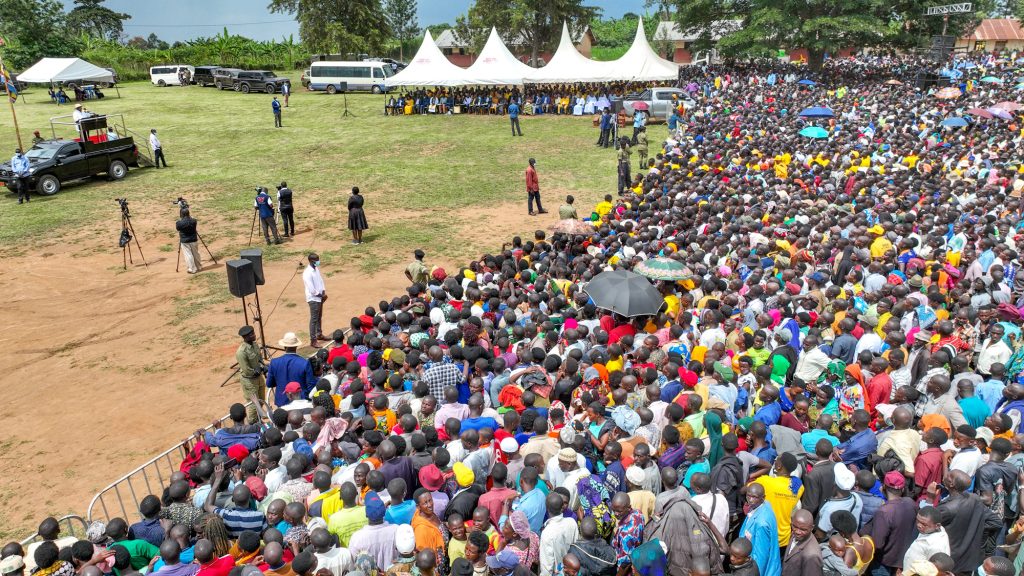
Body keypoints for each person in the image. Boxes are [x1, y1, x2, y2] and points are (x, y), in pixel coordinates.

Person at [266, 331, 316, 405]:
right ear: (296, 346)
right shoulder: (304, 362)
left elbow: (269, 384)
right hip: (301, 402)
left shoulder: (274, 362)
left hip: (282, 403)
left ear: (284, 346)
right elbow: (311, 385)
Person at [235, 325, 265, 423]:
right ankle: (253, 423)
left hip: (259, 378)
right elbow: (247, 370)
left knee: (261, 400)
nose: (254, 335)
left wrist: (262, 366)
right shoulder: (241, 352)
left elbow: (259, 358)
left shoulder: (255, 345)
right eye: (251, 334)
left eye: (253, 333)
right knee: (253, 404)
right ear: (245, 337)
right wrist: (258, 370)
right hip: (249, 381)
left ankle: (259, 419)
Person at [303, 253, 327, 348]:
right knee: (313, 319)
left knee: (319, 316)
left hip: (320, 297)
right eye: (316, 260)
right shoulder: (307, 273)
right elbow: (311, 289)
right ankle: (313, 340)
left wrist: (323, 292)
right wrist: (320, 295)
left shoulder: (316, 269)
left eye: (318, 259)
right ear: (311, 261)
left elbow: (321, 281)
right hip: (313, 299)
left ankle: (319, 334)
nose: (318, 261)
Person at [176, 207, 201, 274]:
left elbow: (178, 228)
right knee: (196, 253)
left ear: (181, 214)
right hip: (194, 239)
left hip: (185, 241)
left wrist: (180, 220)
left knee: (188, 255)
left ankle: (192, 269)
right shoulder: (194, 221)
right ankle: (199, 267)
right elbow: (193, 220)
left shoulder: (179, 223)